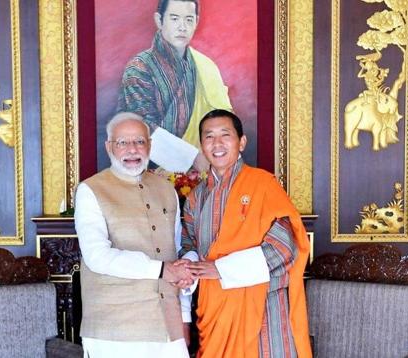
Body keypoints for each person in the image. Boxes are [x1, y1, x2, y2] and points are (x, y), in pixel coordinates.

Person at [179, 109, 312, 358]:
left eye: (225, 135)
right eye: (209, 137)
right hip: (215, 308)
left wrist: (221, 269)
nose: (216, 143)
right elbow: (188, 243)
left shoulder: (263, 184)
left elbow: (284, 247)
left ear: (241, 142)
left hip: (264, 307)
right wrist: (190, 265)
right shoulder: (196, 197)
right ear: (202, 145)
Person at [74, 112, 194, 358]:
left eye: (139, 141)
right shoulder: (90, 190)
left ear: (149, 145)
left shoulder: (167, 189)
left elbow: (176, 253)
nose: (132, 149)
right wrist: (162, 269)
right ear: (109, 147)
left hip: (167, 327)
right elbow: (97, 256)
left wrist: (184, 317)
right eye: (123, 142)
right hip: (115, 329)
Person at [117, 0, 232, 173]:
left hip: (207, 170)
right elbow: (140, 127)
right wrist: (192, 158)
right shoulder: (139, 67)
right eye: (174, 18)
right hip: (148, 177)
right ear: (159, 20)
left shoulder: (206, 67)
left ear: (196, 22)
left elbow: (225, 122)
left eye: (189, 19)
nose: (182, 27)